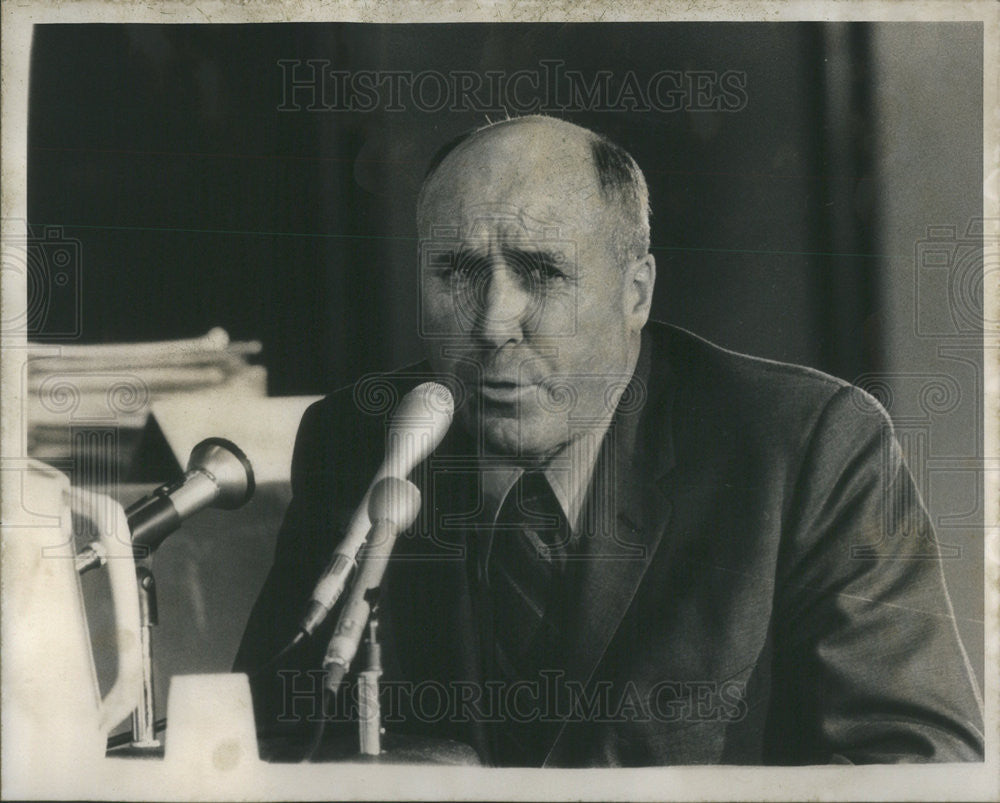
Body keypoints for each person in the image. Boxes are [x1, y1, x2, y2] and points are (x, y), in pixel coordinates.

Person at [235, 115, 984, 766]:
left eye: (542, 271)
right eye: (457, 271)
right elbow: (259, 741)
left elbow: (918, 767)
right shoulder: (361, 441)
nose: (493, 322)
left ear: (636, 292)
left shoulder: (806, 449)